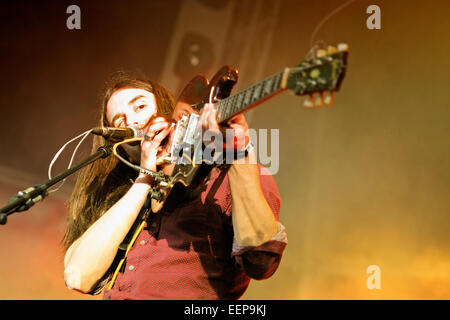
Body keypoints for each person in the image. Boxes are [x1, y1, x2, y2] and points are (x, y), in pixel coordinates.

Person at [62, 71, 287, 299]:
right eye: (120, 122)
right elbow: (77, 276)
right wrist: (145, 178)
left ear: (177, 115)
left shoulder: (231, 175)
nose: (133, 122)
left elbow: (260, 262)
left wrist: (238, 150)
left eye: (140, 107)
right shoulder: (130, 201)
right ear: (125, 152)